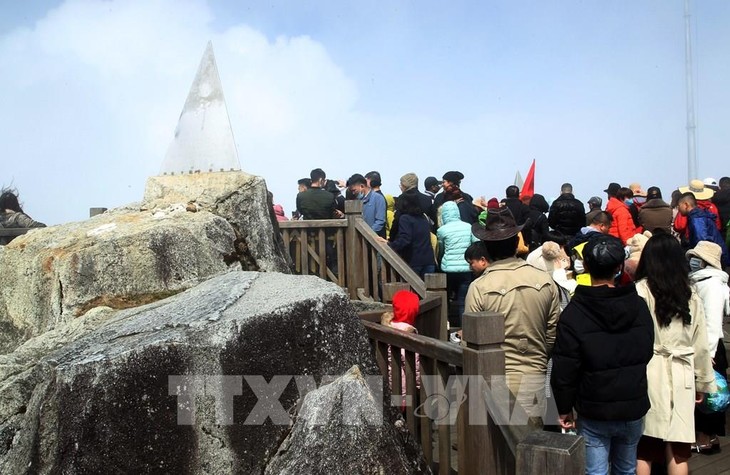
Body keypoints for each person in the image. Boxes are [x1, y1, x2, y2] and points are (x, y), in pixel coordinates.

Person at [551, 234, 654, 475]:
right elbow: (647, 349)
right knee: (627, 468)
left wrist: (563, 407)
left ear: (585, 266)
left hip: (594, 405)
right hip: (632, 401)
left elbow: (566, 367)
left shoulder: (575, 312)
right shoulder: (637, 304)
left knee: (595, 471)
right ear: (619, 267)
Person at [466, 207, 560, 420]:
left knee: (496, 447)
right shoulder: (545, 281)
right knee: (530, 443)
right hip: (535, 372)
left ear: (487, 248)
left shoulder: (480, 286)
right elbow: (552, 332)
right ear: (515, 243)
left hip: (494, 377)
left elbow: (471, 343)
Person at [634, 232, 715, 475]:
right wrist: (702, 381)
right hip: (682, 372)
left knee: (644, 446)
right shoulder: (691, 294)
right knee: (678, 448)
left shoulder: (640, 290)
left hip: (649, 371)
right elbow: (700, 343)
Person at [687, 241, 730, 453]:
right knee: (709, 394)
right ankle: (708, 437)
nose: (692, 261)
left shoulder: (711, 284)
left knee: (707, 394)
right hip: (707, 346)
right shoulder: (707, 281)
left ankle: (704, 438)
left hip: (708, 348)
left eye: (696, 258)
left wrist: (708, 353)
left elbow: (712, 323)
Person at [437, 201, 477, 327]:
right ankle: (464, 328)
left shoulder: (442, 230)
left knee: (446, 297)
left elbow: (441, 249)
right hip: (466, 268)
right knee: (462, 301)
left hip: (448, 269)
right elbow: (476, 243)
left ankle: (446, 325)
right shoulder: (468, 226)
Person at [381, 190, 435, 279]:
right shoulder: (423, 218)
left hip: (414, 260)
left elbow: (405, 239)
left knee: (412, 290)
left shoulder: (405, 219)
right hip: (429, 260)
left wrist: (390, 244)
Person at [677, 192, 730, 267]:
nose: (678, 209)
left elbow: (702, 241)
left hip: (713, 259)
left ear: (686, 205)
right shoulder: (699, 215)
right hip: (718, 255)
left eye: (679, 206)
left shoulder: (697, 219)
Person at [390, 173, 434, 240]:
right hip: (424, 237)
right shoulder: (427, 199)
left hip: (406, 237)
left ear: (405, 185)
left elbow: (397, 220)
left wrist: (391, 239)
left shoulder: (402, 198)